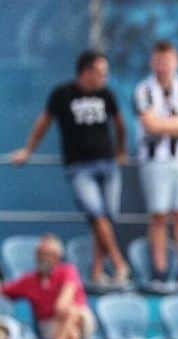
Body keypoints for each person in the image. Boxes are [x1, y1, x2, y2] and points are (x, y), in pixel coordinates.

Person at [12, 50, 130, 285]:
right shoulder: (62, 94)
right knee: (96, 214)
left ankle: (97, 273)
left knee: (106, 218)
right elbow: (43, 123)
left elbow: (120, 125)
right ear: (86, 72)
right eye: (100, 73)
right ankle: (119, 264)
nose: (104, 78)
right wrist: (28, 150)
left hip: (107, 164)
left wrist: (121, 151)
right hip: (79, 167)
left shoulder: (106, 95)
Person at [133, 40, 178, 283]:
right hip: (155, 162)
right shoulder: (144, 90)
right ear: (153, 62)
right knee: (159, 215)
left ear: (176, 62)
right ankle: (159, 268)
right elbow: (149, 124)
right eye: (159, 61)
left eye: (168, 61)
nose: (163, 66)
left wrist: (165, 124)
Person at [2, 234, 94, 339]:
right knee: (73, 335)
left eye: (47, 254)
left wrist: (63, 309)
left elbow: (61, 307)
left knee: (72, 312)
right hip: (50, 325)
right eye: (40, 254)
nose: (42, 258)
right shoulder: (29, 280)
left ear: (57, 257)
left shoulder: (68, 271)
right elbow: (4, 290)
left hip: (81, 318)